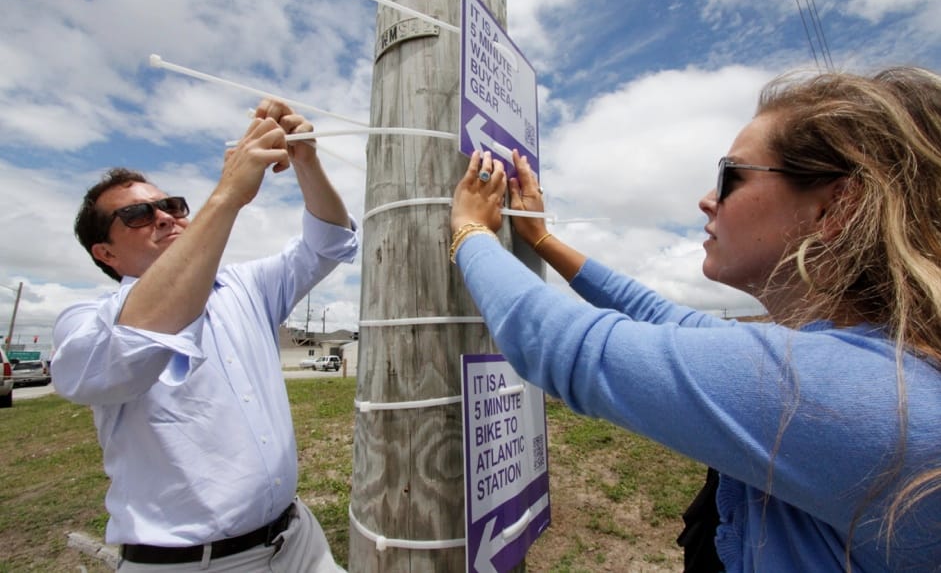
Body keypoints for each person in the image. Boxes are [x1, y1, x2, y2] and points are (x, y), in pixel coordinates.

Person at [448, 68, 941, 571]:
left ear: (835, 208)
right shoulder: (880, 367)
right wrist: (540, 240)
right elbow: (657, 315)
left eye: (731, 175)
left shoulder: (864, 399)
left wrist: (468, 231)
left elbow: (563, 346)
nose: (707, 198)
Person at [52, 99, 358, 571]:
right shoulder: (89, 321)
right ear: (105, 254)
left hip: (298, 541)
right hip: (195, 563)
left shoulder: (243, 285)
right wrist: (228, 194)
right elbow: (131, 345)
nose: (164, 217)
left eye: (171, 205)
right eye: (136, 214)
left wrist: (307, 162)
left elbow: (331, 242)